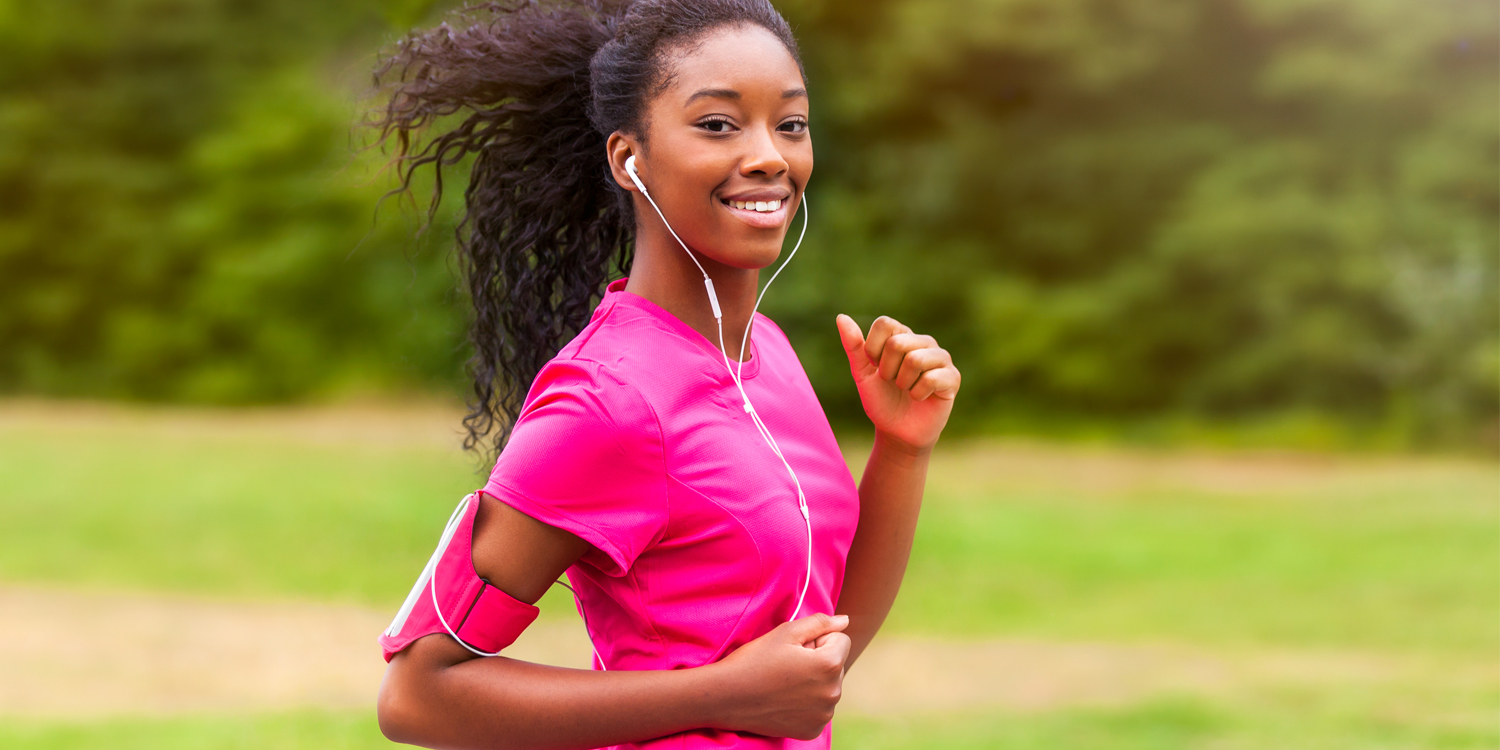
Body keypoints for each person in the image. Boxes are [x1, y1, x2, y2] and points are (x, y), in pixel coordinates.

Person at [370, 1, 961, 748]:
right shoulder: (605, 400)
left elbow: (814, 662)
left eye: (791, 123)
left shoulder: (768, 353)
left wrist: (904, 448)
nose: (770, 156)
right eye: (718, 124)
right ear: (628, 158)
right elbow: (419, 694)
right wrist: (718, 695)